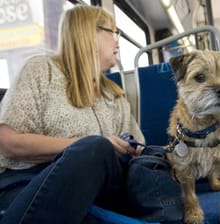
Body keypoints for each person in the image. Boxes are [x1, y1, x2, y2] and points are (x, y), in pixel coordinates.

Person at [0, 5, 145, 223]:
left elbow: (138, 147)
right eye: (112, 32)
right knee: (95, 147)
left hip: (99, 189)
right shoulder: (41, 70)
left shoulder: (114, 95)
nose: (117, 41)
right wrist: (84, 145)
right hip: (30, 182)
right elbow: (8, 142)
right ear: (88, 32)